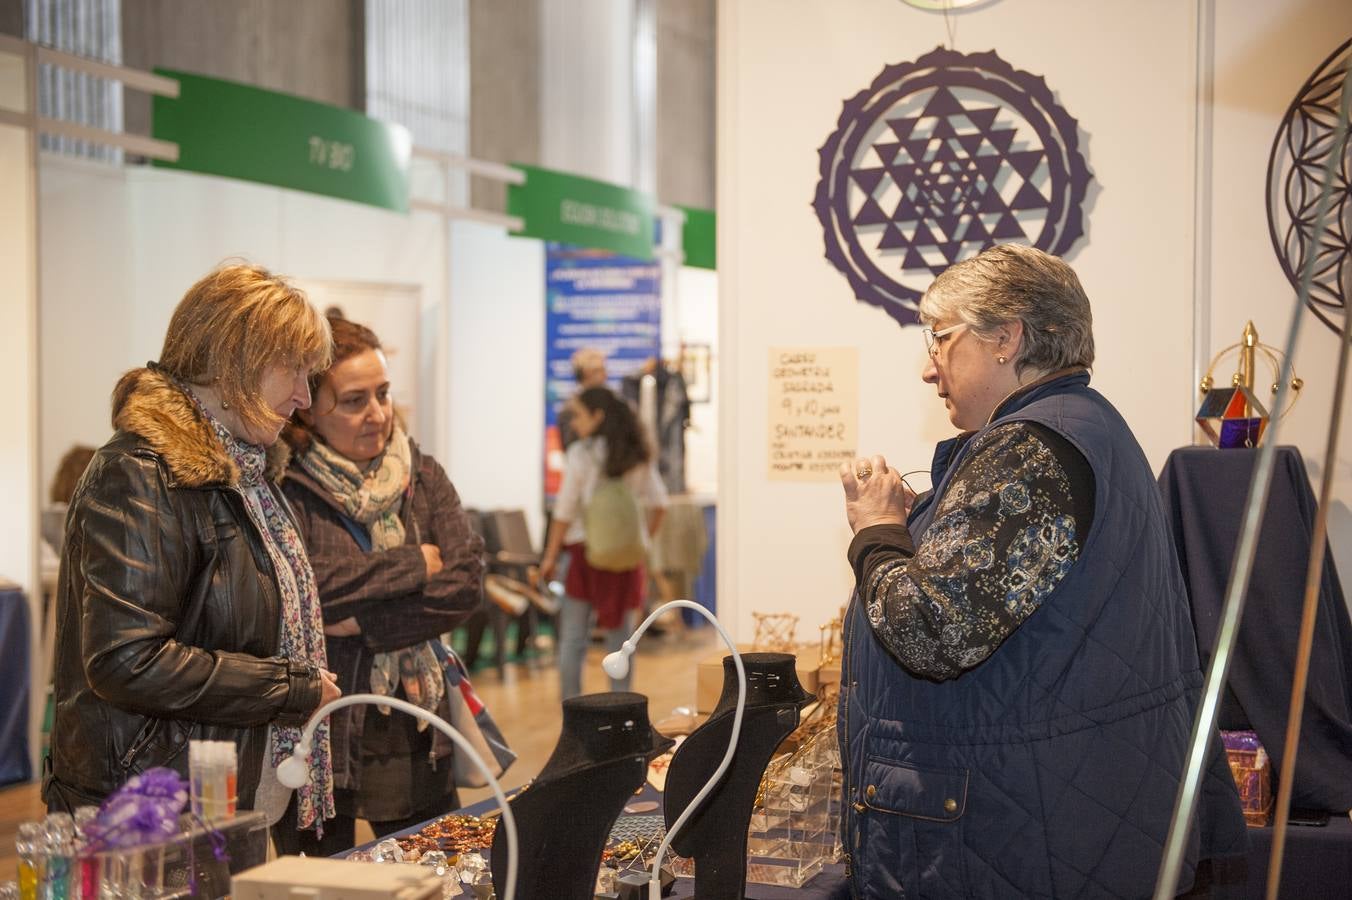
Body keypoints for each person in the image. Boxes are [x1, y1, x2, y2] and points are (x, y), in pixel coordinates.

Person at [837, 244, 1245, 898]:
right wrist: (931, 532)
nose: (927, 367)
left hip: (1017, 833)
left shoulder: (1029, 449)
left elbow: (931, 633)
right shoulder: (1079, 429)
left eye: (940, 339)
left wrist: (878, 530)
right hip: (1062, 809)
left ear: (1006, 338)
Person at [45, 264, 341, 839]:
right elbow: (127, 660)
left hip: (227, 795)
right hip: (151, 811)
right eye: (295, 372)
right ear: (236, 361)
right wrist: (289, 687)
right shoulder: (141, 473)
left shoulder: (249, 476)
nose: (304, 398)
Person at [279, 316, 485, 854]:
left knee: (440, 873)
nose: (377, 415)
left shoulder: (421, 472)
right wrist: (415, 564)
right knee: (329, 886)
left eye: (384, 393)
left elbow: (466, 582)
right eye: (353, 400)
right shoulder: (288, 488)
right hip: (325, 735)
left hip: (419, 724)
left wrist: (364, 621)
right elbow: (308, 592)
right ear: (308, 406)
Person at [541, 387, 667, 700]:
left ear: (598, 416)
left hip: (584, 554)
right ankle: (622, 706)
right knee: (622, 639)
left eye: (580, 415)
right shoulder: (638, 454)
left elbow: (564, 511)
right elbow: (660, 503)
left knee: (573, 639)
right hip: (624, 558)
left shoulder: (581, 454)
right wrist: (642, 540)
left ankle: (573, 710)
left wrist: (549, 557)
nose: (575, 422)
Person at [558, 347, 609, 449]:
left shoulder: (611, 401)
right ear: (586, 373)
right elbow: (569, 445)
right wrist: (592, 425)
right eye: (599, 370)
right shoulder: (571, 406)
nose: (605, 375)